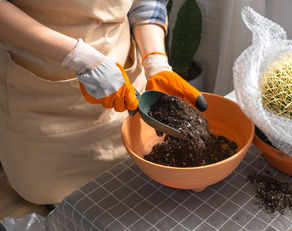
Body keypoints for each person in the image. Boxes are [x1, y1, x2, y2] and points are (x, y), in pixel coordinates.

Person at [0, 0, 207, 205]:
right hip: (41, 84)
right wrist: (78, 57)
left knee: (124, 181)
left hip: (123, 77)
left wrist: (155, 61)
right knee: (54, 197)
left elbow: (146, 3)